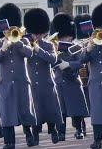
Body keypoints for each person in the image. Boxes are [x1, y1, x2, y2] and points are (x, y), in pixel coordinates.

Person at [0, 3, 37, 149]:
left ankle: (29, 135)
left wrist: (17, 42)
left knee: (25, 110)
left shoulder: (23, 40)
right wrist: (3, 49)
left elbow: (29, 53)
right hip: (6, 83)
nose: (8, 31)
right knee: (6, 113)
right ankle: (9, 142)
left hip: (22, 82)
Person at [23, 8, 63, 145]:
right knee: (35, 112)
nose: (37, 36)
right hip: (32, 84)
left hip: (46, 82)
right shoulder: (25, 45)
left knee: (50, 110)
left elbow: (53, 59)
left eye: (39, 34)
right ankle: (34, 137)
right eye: (35, 33)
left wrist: (39, 50)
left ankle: (53, 130)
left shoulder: (49, 44)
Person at [52, 13, 89, 141]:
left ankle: (79, 130)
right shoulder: (54, 47)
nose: (65, 39)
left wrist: (68, 64)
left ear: (71, 35)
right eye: (63, 36)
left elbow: (81, 62)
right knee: (60, 111)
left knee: (76, 110)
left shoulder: (77, 47)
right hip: (59, 82)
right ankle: (61, 132)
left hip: (73, 81)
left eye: (67, 36)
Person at [79, 3, 102, 149]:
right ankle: (98, 140)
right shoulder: (91, 41)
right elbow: (82, 60)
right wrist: (89, 47)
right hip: (95, 82)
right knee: (97, 113)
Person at [74, 13, 92, 136]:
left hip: (92, 75)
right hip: (80, 77)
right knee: (81, 103)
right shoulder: (75, 43)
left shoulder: (95, 39)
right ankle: (80, 127)